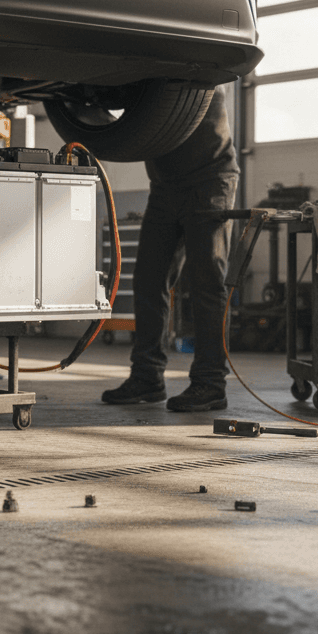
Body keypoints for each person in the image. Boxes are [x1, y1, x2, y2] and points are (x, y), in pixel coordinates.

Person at [102, 88, 239, 412]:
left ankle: (211, 383)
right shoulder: (140, 79)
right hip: (164, 186)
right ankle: (147, 377)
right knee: (149, 280)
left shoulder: (198, 68)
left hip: (210, 179)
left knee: (207, 283)